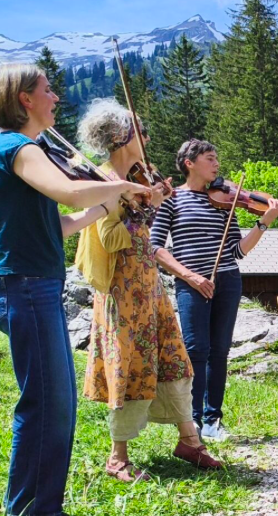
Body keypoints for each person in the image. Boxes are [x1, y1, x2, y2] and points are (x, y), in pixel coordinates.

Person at [0, 63, 151, 516]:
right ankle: (33, 512)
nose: (56, 97)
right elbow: (68, 193)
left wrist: (110, 203)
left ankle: (37, 508)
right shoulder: (16, 147)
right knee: (47, 401)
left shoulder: (27, 150)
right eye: (47, 90)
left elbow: (58, 224)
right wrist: (122, 185)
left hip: (36, 284)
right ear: (24, 100)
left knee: (55, 400)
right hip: (23, 285)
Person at [74, 99, 222, 482]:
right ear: (123, 137)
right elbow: (110, 237)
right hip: (123, 292)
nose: (148, 138)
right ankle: (117, 457)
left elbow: (149, 232)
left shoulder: (139, 177)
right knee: (130, 366)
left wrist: (153, 200)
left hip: (150, 286)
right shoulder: (105, 180)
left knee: (173, 358)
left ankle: (190, 439)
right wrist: (143, 206)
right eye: (141, 131)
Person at [150, 139, 278, 440]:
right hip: (191, 283)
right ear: (190, 163)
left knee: (220, 351)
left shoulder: (224, 200)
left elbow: (237, 251)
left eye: (216, 159)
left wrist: (265, 221)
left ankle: (213, 419)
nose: (217, 164)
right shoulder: (172, 200)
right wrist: (190, 276)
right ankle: (192, 419)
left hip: (228, 280)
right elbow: (155, 247)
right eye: (210, 159)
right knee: (196, 350)